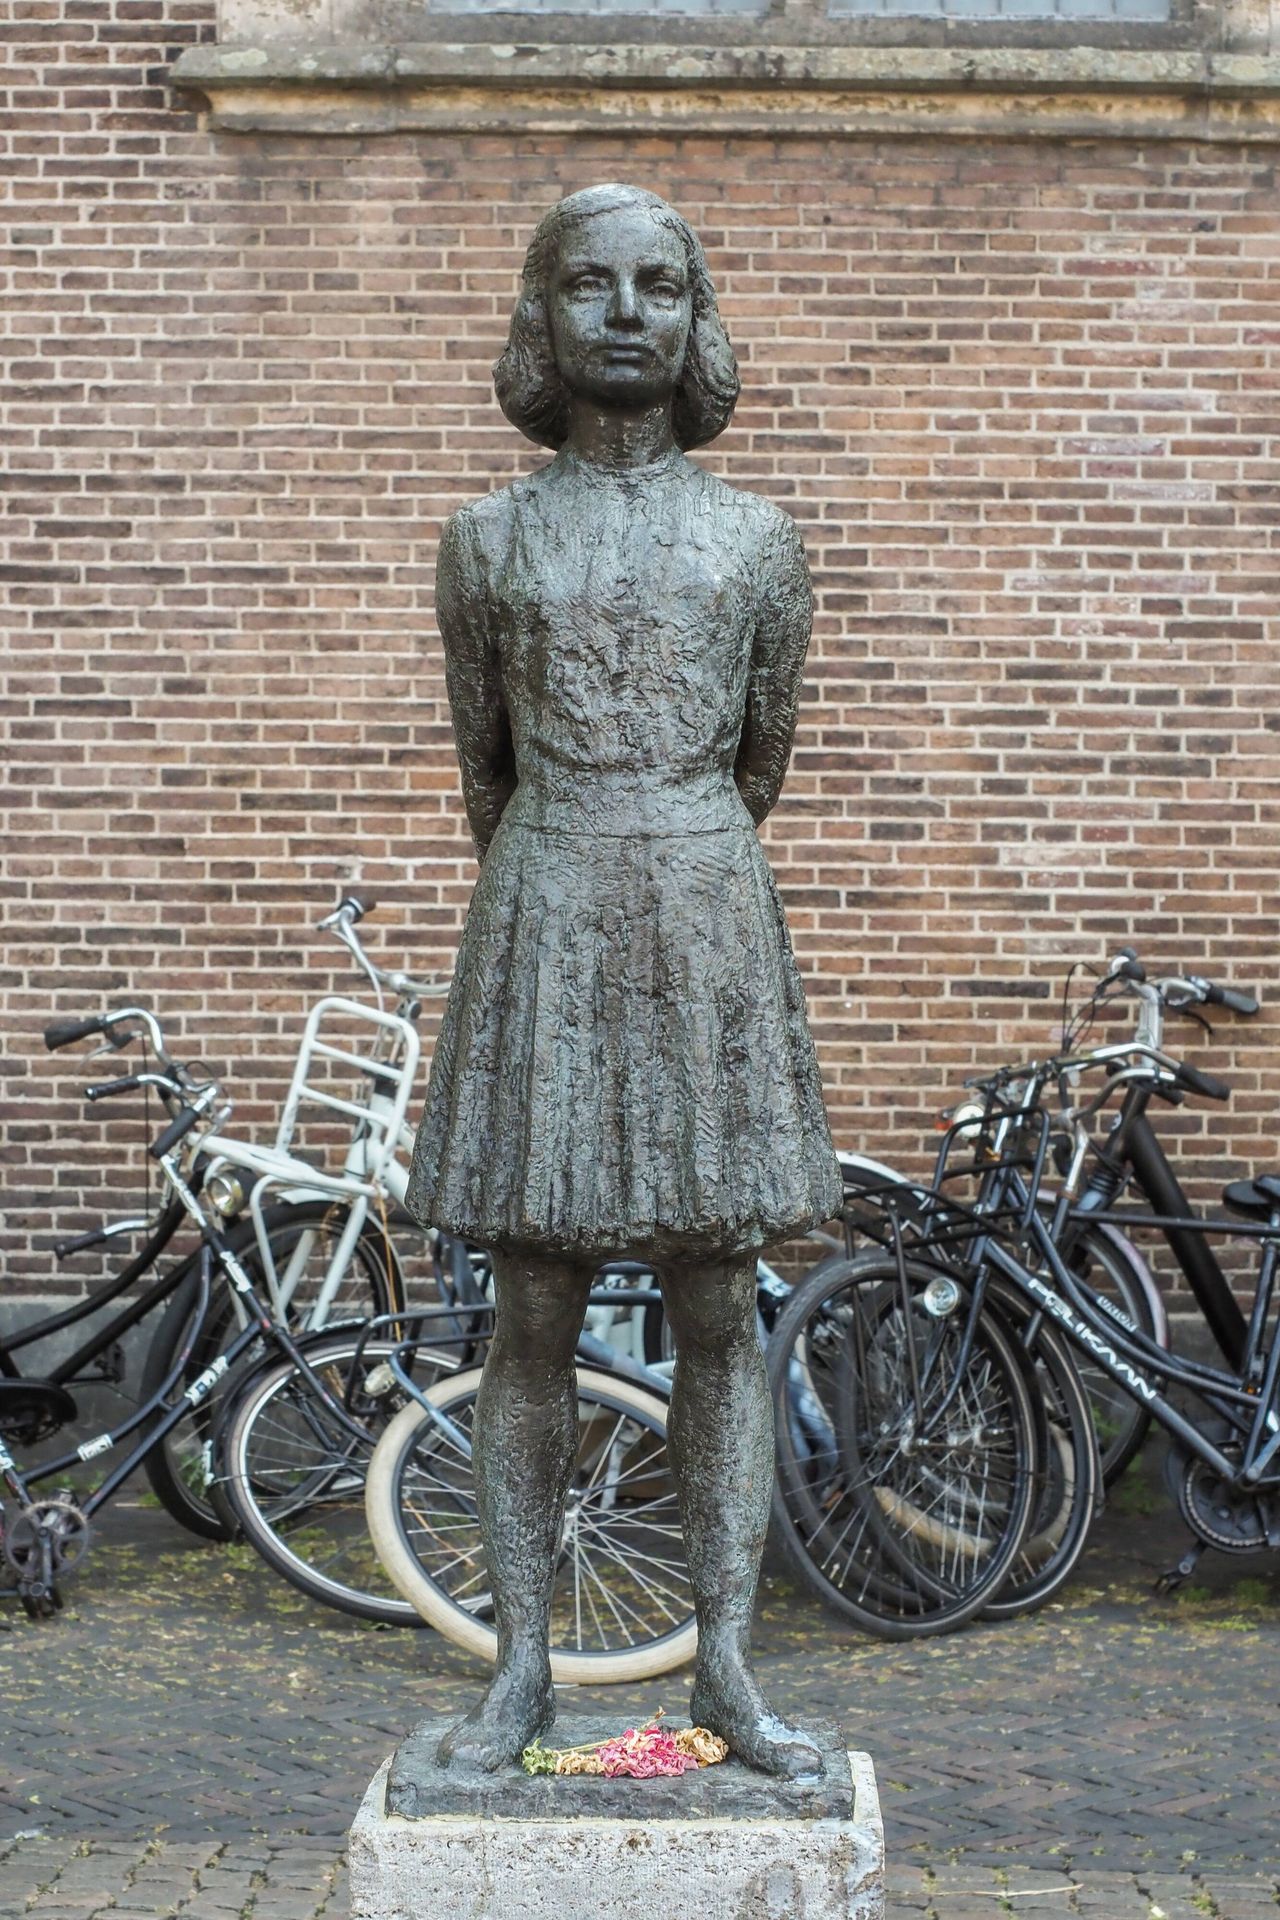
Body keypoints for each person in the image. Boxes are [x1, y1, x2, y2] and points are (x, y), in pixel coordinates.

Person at [406, 183, 842, 1777]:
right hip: (548, 903)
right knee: (531, 1310)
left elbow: (761, 755)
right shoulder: (488, 539)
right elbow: (486, 768)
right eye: (588, 283)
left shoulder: (758, 541)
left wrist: (669, 852)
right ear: (542, 315)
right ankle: (521, 1668)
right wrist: (580, 864)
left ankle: (725, 1661)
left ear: (696, 316)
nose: (625, 313)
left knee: (720, 1300)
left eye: (661, 284)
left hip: (706, 912)